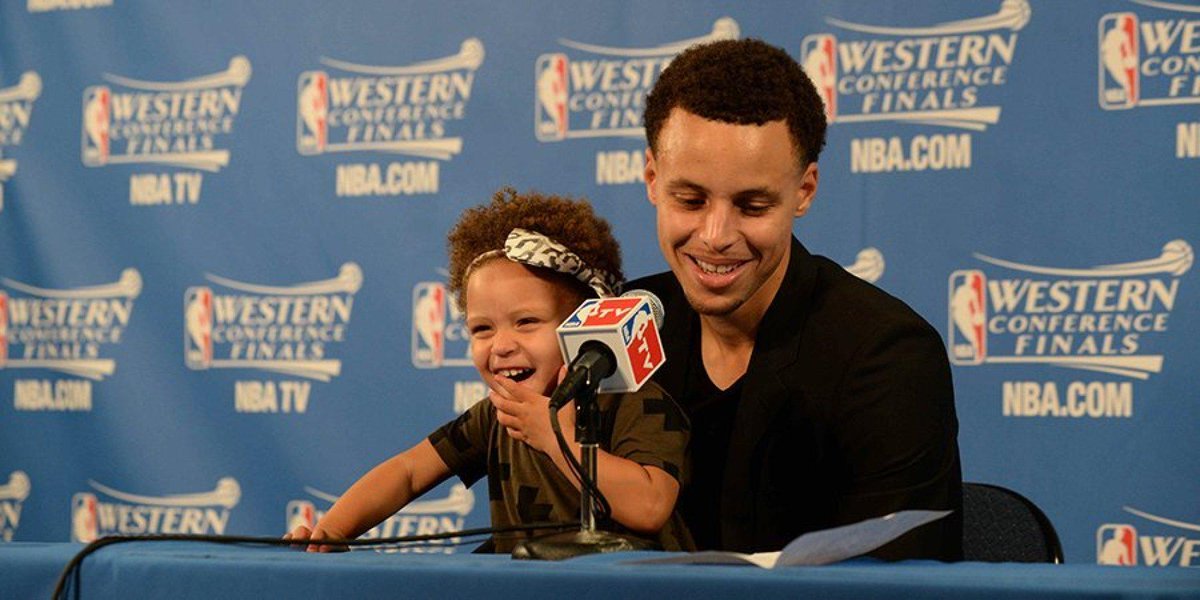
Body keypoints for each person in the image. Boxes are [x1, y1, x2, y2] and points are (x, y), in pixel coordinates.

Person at [629, 38, 963, 560]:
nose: (716, 235)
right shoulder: (619, 325)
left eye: (753, 205)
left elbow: (900, 584)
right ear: (652, 178)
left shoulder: (886, 356)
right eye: (690, 200)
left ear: (804, 191)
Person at [286, 188, 693, 553]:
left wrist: (557, 437)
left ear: (586, 322)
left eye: (527, 322)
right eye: (482, 328)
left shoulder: (638, 402)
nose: (500, 345)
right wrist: (332, 531)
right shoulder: (497, 414)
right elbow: (408, 472)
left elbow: (650, 507)